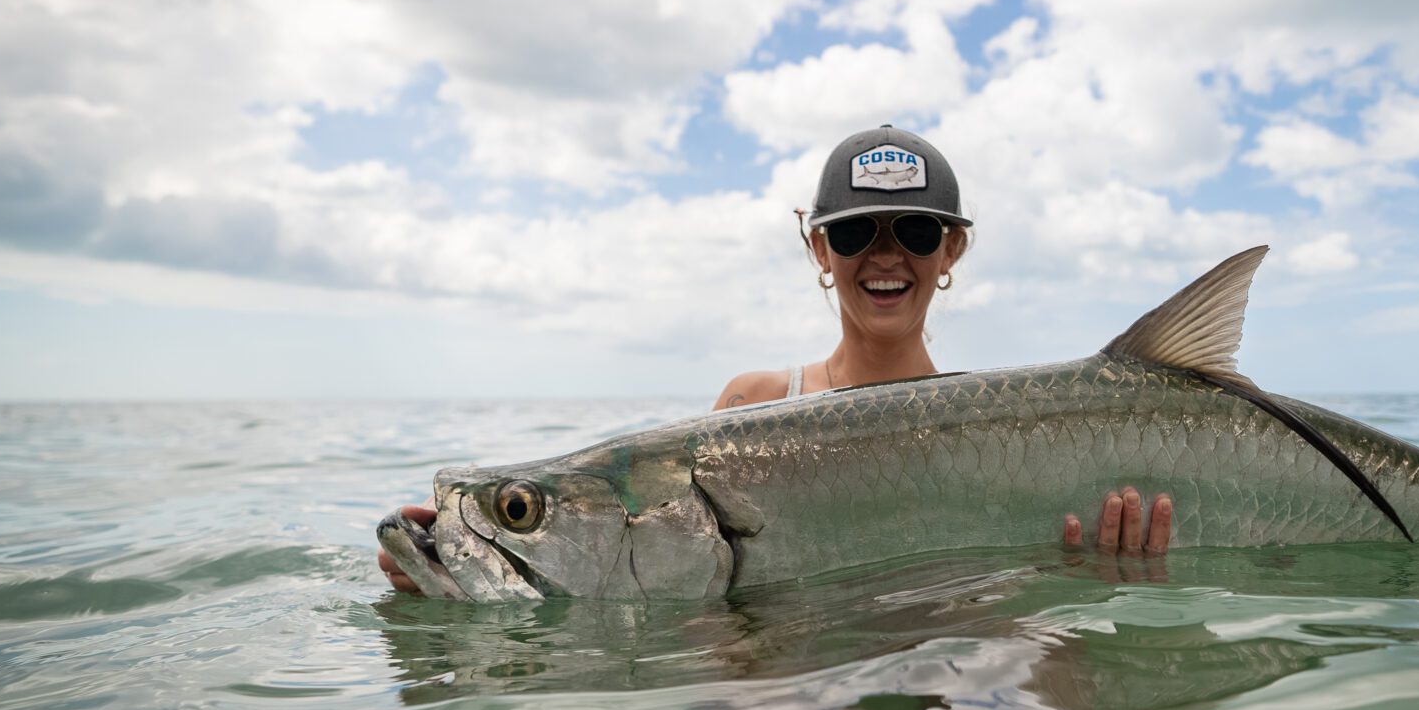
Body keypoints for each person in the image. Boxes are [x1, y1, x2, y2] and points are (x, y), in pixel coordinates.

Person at [376, 126, 1167, 596]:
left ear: (952, 247)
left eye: (916, 232)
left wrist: (1113, 579)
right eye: (857, 234)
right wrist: (447, 586)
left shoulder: (1024, 425)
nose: (885, 256)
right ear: (819, 246)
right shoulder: (751, 404)